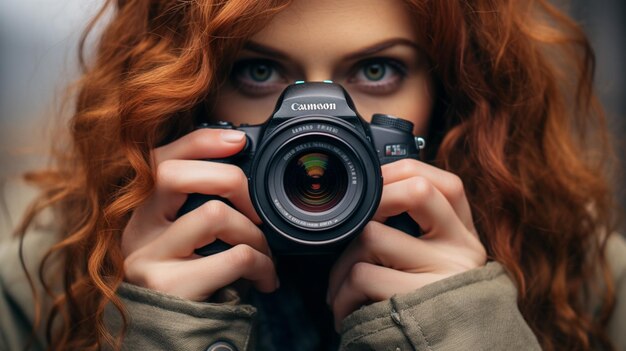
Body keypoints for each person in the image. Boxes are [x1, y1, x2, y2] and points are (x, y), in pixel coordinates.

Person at [1, 0, 624, 350]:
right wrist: (152, 330)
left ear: (453, 93)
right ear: (186, 97)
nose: (317, 136)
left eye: (377, 71)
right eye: (257, 72)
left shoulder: (585, 274)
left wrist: (466, 329)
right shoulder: (43, 286)